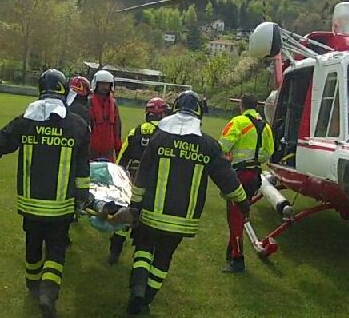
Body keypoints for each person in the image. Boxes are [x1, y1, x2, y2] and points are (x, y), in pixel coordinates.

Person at [0, 69, 92, 317]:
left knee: (33, 243)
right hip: (60, 207)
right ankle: (48, 292)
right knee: (56, 249)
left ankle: (33, 284)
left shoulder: (26, 121)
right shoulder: (78, 125)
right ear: (63, 90)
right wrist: (82, 196)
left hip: (31, 204)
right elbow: (82, 167)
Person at [124, 90, 250, 315]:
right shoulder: (208, 145)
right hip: (183, 219)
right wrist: (242, 201)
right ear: (199, 114)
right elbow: (227, 179)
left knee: (143, 249)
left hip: (152, 213)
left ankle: (138, 291)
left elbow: (143, 173)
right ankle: (146, 299)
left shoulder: (159, 138)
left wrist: (135, 203)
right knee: (164, 257)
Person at [218, 93, 275, 273]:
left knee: (235, 217)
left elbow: (222, 146)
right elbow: (269, 152)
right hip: (254, 176)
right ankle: (232, 250)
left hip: (239, 175)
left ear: (241, 105)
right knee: (240, 214)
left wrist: (231, 158)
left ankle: (237, 259)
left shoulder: (238, 122)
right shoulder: (266, 127)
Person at [108, 97, 168, 264]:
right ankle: (142, 256)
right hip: (155, 182)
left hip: (133, 179)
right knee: (146, 218)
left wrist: (119, 177)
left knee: (126, 214)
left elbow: (123, 156)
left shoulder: (136, 131)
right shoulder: (167, 135)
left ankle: (115, 251)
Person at [89, 70, 122, 162]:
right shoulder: (89, 102)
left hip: (108, 152)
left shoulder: (113, 104)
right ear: (96, 84)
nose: (105, 87)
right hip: (91, 150)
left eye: (107, 84)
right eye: (102, 84)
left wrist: (118, 149)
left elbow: (117, 127)